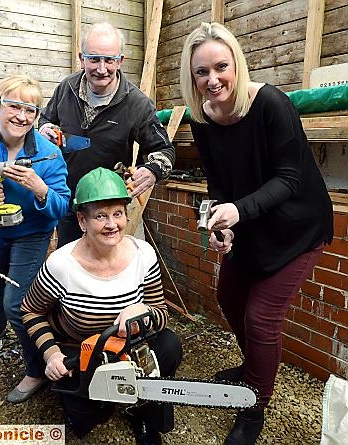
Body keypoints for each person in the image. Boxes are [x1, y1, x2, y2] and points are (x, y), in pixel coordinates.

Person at [179, 22, 334, 445]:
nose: (213, 80)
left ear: (236, 64)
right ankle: (255, 371)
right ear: (191, 77)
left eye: (221, 67)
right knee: (229, 297)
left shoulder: (270, 103)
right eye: (201, 72)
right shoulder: (202, 117)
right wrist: (217, 224)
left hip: (299, 225)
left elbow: (290, 178)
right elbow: (217, 182)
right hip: (250, 222)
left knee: (261, 319)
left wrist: (238, 210)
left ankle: (253, 407)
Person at [22, 168, 182, 445]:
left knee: (168, 345)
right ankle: (93, 403)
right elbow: (31, 310)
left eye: (117, 213)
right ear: (82, 221)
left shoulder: (143, 254)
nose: (112, 224)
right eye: (100, 216)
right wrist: (51, 355)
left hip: (126, 344)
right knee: (90, 417)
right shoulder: (62, 265)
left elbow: (160, 312)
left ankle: (145, 413)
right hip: (79, 349)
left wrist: (142, 312)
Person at [0, 75, 70, 404]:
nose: (22, 116)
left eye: (31, 109)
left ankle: (37, 369)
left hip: (33, 232)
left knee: (18, 304)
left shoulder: (49, 154)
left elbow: (63, 205)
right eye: (14, 105)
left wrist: (39, 187)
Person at [38, 22, 175, 247]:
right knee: (71, 266)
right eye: (94, 59)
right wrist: (44, 129)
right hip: (69, 201)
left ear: (120, 60)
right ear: (82, 58)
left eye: (109, 60)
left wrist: (152, 171)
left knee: (110, 270)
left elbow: (165, 151)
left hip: (110, 208)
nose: (102, 69)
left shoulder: (137, 103)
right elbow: (45, 120)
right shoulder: (66, 88)